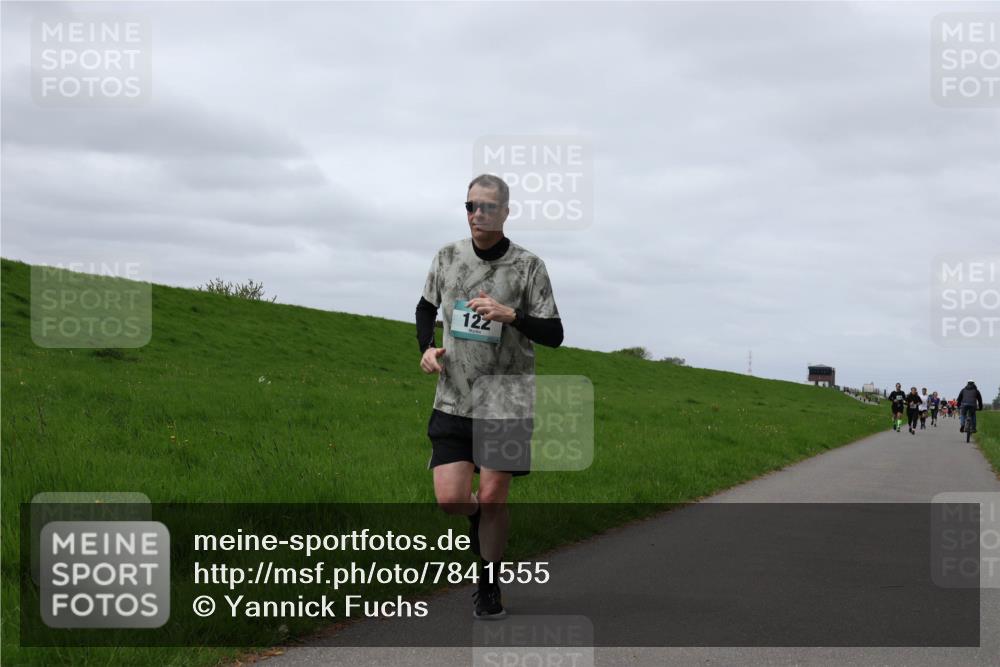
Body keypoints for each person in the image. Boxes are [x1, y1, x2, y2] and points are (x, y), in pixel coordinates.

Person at [415, 174, 563, 619]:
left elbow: (554, 333)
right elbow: (424, 306)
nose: (478, 214)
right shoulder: (446, 257)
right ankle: (482, 529)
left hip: (507, 401)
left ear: (505, 212)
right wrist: (425, 346)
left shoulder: (528, 266)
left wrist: (511, 315)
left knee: (494, 495)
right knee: (451, 499)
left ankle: (489, 581)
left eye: (488, 207)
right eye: (471, 206)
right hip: (454, 400)